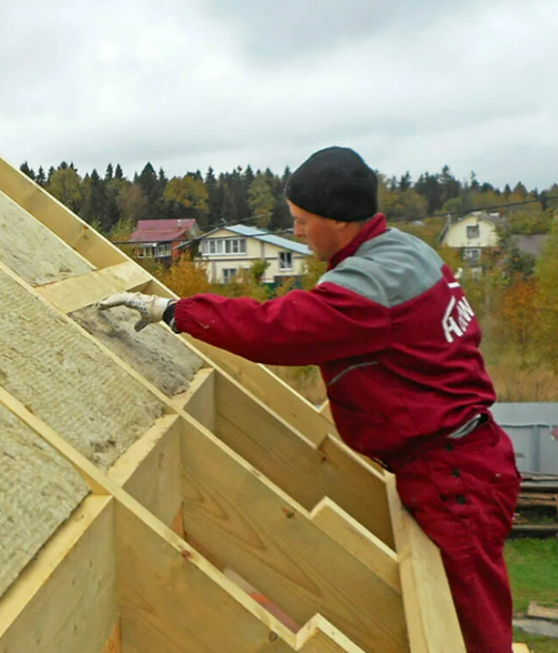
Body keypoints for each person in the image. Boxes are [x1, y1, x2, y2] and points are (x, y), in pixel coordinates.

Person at [100, 146, 521, 653]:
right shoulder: (407, 252)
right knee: (470, 618)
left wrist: (172, 310)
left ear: (337, 222)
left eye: (302, 221)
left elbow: (273, 331)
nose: (296, 231)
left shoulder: (364, 289)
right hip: (464, 458)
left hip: (450, 475)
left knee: (468, 632)